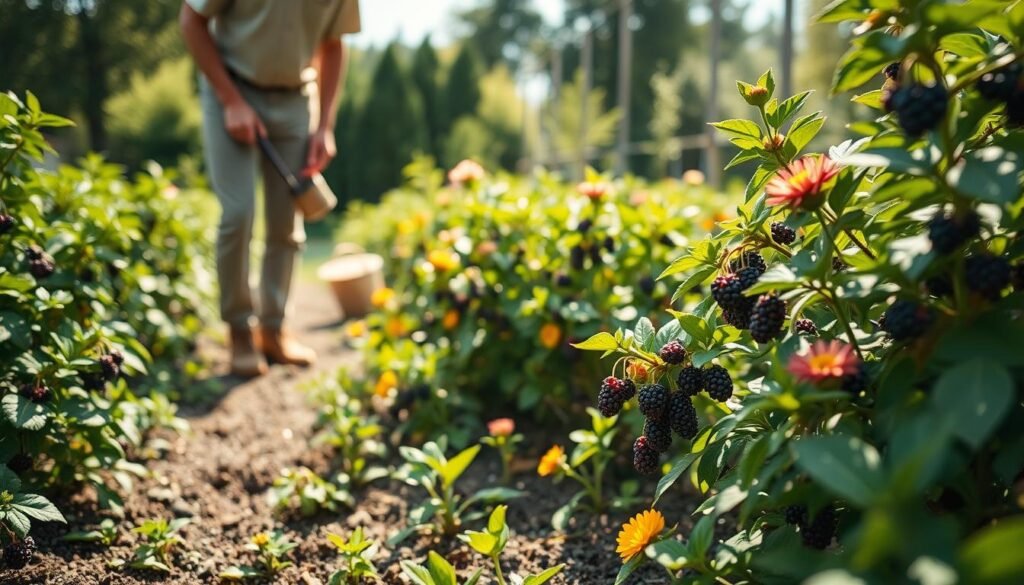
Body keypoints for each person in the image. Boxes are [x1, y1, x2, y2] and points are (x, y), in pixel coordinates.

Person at [179, 0, 360, 376]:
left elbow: (334, 43)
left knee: (285, 224)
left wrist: (325, 125)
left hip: (296, 99)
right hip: (231, 87)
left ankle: (273, 331)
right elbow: (192, 19)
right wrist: (231, 101)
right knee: (238, 213)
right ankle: (240, 331)